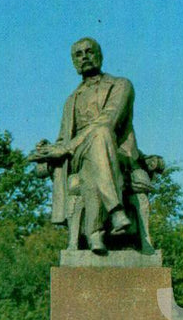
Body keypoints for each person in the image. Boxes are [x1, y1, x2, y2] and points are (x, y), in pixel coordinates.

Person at [27, 37, 141, 254]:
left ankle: (94, 232)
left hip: (116, 151)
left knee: (100, 137)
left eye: (89, 51)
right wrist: (48, 151)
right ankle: (116, 211)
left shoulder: (121, 85)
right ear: (74, 63)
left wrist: (67, 147)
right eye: (78, 55)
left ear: (100, 55)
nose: (85, 57)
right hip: (78, 153)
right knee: (96, 144)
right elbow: (63, 140)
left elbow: (109, 119)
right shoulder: (71, 100)